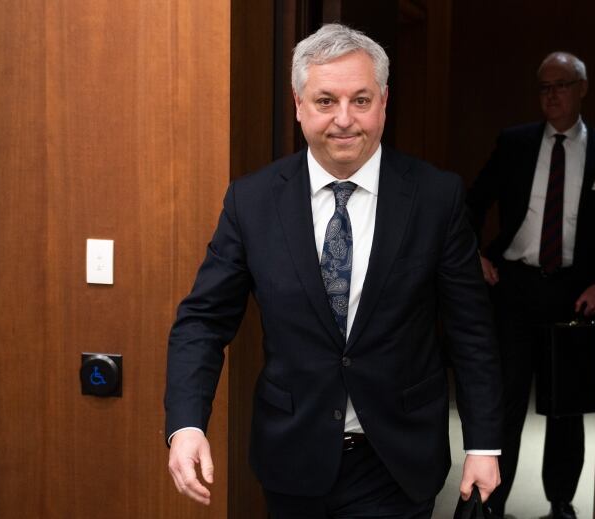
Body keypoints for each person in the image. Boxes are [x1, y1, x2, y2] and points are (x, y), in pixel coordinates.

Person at [164, 23, 503, 519]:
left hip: (397, 461)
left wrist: (485, 444)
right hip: (292, 458)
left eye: (360, 100)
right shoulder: (253, 201)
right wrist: (187, 424)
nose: (344, 120)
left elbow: (472, 330)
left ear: (384, 102)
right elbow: (203, 321)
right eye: (326, 101)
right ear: (299, 104)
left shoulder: (435, 197)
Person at [465, 52, 595, 519]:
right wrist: (476, 256)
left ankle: (561, 503)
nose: (552, 95)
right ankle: (492, 503)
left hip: (574, 293)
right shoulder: (516, 143)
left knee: (565, 407)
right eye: (544, 87)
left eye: (561, 85)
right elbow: (472, 201)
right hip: (515, 286)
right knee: (505, 399)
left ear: (582, 88)